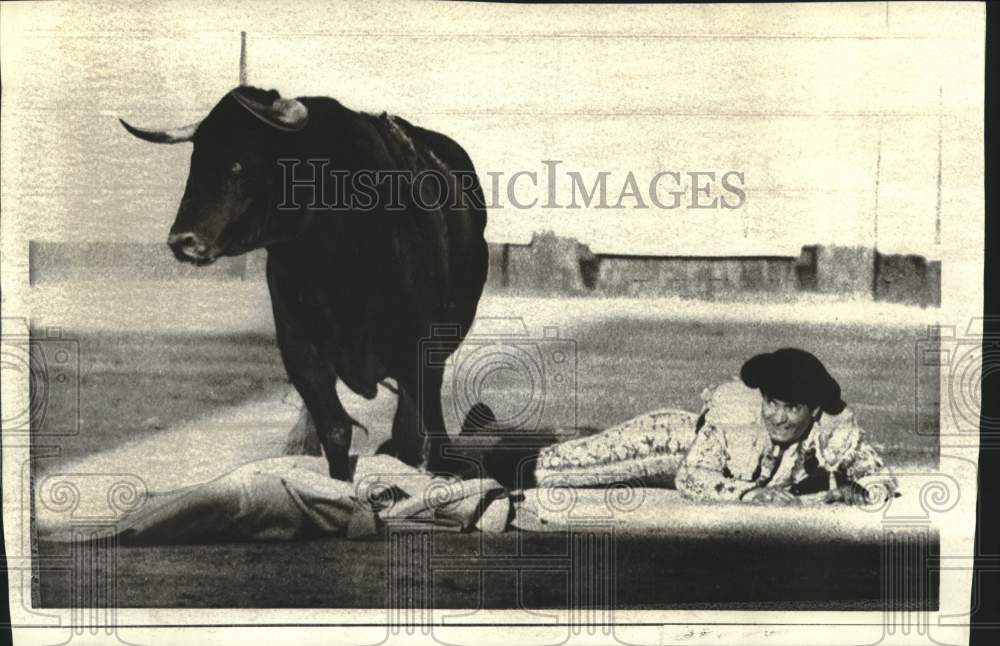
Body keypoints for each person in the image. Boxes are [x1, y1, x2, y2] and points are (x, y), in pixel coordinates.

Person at [675, 348, 896, 505]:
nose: (778, 418)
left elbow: (879, 475)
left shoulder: (831, 430)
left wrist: (858, 490)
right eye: (771, 403)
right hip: (672, 442)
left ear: (815, 411)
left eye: (792, 408)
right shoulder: (732, 416)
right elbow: (689, 475)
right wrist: (748, 493)